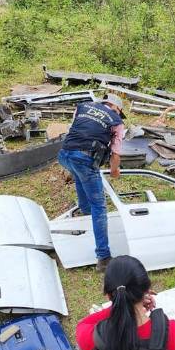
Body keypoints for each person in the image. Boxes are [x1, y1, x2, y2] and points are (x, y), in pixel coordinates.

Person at [58, 93, 126, 272]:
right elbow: (116, 152)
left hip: (64, 154)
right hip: (84, 159)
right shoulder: (116, 121)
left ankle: (85, 212)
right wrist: (114, 171)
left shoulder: (83, 107)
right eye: (120, 111)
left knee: (81, 178)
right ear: (116, 108)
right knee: (100, 207)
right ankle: (103, 257)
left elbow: (74, 130)